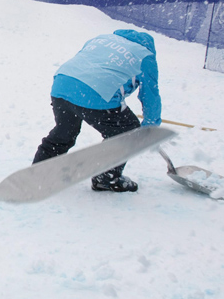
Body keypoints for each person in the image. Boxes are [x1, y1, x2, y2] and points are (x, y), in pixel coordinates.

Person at [31, 29, 161, 192]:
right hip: (95, 94)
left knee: (64, 132)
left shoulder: (101, 39)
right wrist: (150, 125)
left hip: (62, 86)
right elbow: (150, 94)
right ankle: (105, 178)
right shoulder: (145, 55)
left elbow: (89, 66)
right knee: (127, 132)